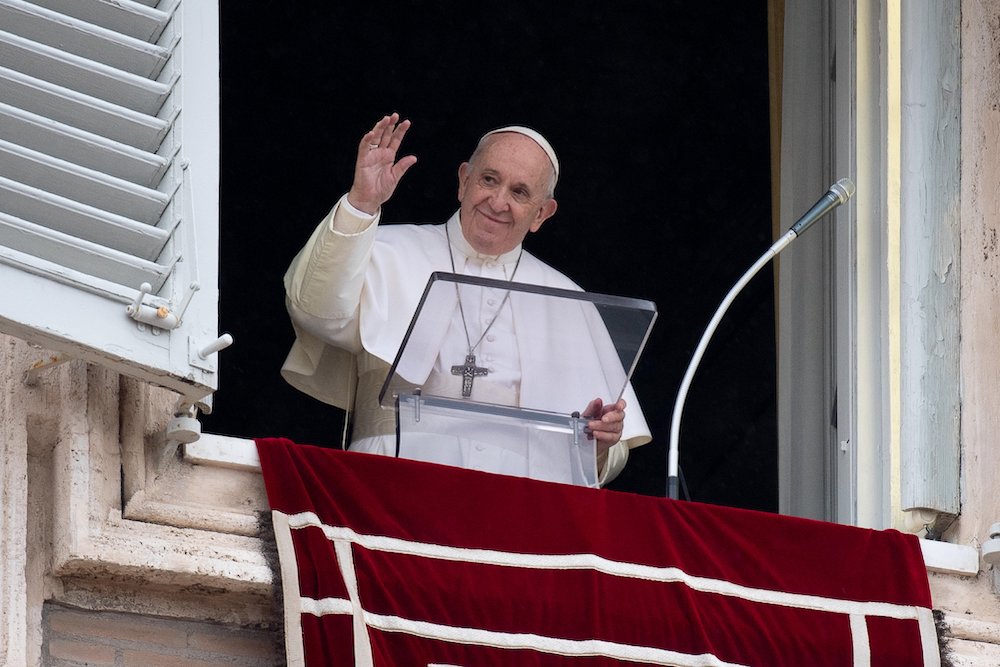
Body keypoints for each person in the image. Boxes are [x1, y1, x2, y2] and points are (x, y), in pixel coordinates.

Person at [281, 113, 651, 485]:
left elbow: (607, 457)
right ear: (463, 180)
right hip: (390, 488)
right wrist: (361, 204)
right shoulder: (384, 250)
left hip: (517, 509)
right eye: (489, 180)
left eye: (519, 192)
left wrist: (600, 442)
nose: (498, 201)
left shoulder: (570, 301)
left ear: (541, 213)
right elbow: (316, 311)